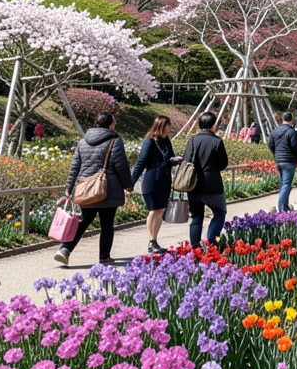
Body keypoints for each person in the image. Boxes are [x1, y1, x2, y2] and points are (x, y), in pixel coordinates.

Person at [56, 111, 132, 266]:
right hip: (108, 190)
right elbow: (121, 166)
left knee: (83, 221)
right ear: (110, 124)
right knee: (107, 224)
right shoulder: (114, 141)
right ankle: (104, 257)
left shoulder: (83, 141)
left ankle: (65, 249)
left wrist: (69, 188)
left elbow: (74, 167)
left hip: (85, 188)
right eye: (114, 122)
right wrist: (128, 185)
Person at [130, 115, 182, 255]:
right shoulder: (149, 142)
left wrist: (175, 160)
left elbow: (169, 158)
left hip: (164, 180)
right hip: (151, 180)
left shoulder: (166, 141)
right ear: (161, 126)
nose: (169, 130)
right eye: (168, 127)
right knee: (153, 210)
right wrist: (131, 183)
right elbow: (141, 162)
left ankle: (154, 240)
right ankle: (151, 241)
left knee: (160, 211)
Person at [181, 111, 229, 248]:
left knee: (197, 217)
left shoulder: (193, 140)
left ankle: (195, 247)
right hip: (213, 185)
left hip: (193, 185)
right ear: (213, 125)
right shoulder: (217, 141)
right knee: (219, 212)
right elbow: (223, 164)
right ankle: (211, 242)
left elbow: (186, 160)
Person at [268, 111, 297, 212]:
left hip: (278, 160)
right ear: (291, 120)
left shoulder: (275, 131)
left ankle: (285, 206)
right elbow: (296, 147)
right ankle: (282, 207)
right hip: (289, 160)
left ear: (282, 119)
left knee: (284, 184)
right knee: (286, 184)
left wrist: (276, 153)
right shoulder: (292, 132)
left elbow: (270, 144)